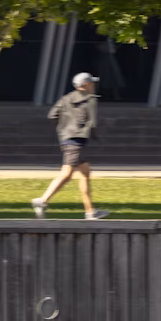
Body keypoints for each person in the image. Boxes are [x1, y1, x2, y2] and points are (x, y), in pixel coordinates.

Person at [31, 72, 110, 220]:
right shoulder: (90, 100)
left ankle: (90, 211)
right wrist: (93, 135)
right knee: (66, 174)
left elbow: (52, 115)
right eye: (91, 83)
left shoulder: (65, 98)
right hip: (78, 140)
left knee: (85, 173)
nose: (93, 85)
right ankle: (42, 200)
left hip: (67, 139)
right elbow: (93, 123)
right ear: (86, 85)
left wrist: (64, 129)